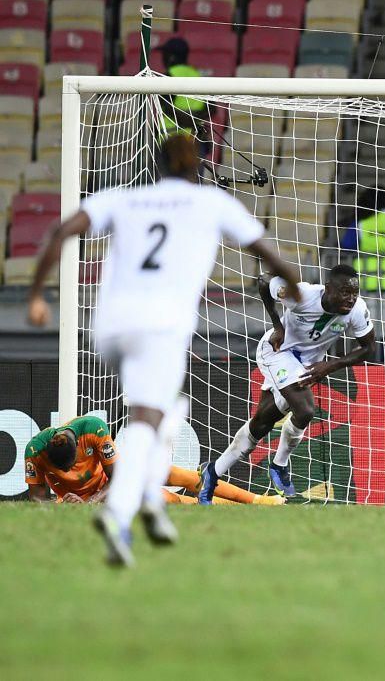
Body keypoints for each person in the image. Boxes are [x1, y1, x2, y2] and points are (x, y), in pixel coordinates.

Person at [26, 133, 300, 567]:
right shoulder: (211, 203)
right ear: (199, 168)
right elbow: (270, 256)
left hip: (109, 326)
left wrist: (38, 295)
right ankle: (123, 514)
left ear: (156, 167)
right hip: (159, 328)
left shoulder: (122, 197)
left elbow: (63, 231)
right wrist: (298, 292)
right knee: (154, 418)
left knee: (155, 412)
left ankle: (148, 500)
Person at [200, 264, 376, 503]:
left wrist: (329, 366)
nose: (351, 298)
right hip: (277, 351)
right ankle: (279, 465)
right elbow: (264, 280)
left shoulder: (356, 310)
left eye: (354, 293)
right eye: (345, 292)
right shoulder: (301, 294)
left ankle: (212, 472)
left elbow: (367, 348)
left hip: (306, 365)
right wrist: (277, 325)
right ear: (328, 289)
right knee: (305, 410)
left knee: (261, 424)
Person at [24, 414, 282, 506]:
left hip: (109, 486)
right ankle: (239, 508)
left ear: (78, 447)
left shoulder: (93, 428)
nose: (70, 473)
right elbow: (36, 498)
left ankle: (259, 500)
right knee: (168, 499)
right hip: (99, 500)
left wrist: (89, 502)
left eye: (71, 465)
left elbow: (118, 478)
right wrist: (61, 506)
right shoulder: (34, 452)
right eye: (62, 471)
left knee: (179, 475)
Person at [158, 37, 210, 141]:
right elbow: (211, 109)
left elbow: (167, 108)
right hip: (194, 139)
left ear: (171, 57)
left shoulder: (169, 76)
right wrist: (194, 120)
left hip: (171, 140)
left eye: (164, 54)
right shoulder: (197, 76)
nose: (162, 58)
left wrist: (187, 121)